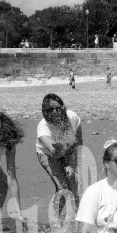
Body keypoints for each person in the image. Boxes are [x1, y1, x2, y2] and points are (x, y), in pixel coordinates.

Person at [36, 94, 83, 224]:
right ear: (45, 112)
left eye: (58, 108)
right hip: (49, 155)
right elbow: (54, 151)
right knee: (63, 188)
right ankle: (55, 221)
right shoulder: (43, 128)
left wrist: (71, 165)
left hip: (68, 151)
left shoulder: (73, 117)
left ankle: (80, 217)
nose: (56, 112)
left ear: (63, 107)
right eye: (51, 110)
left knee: (73, 183)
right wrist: (56, 148)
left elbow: (78, 142)